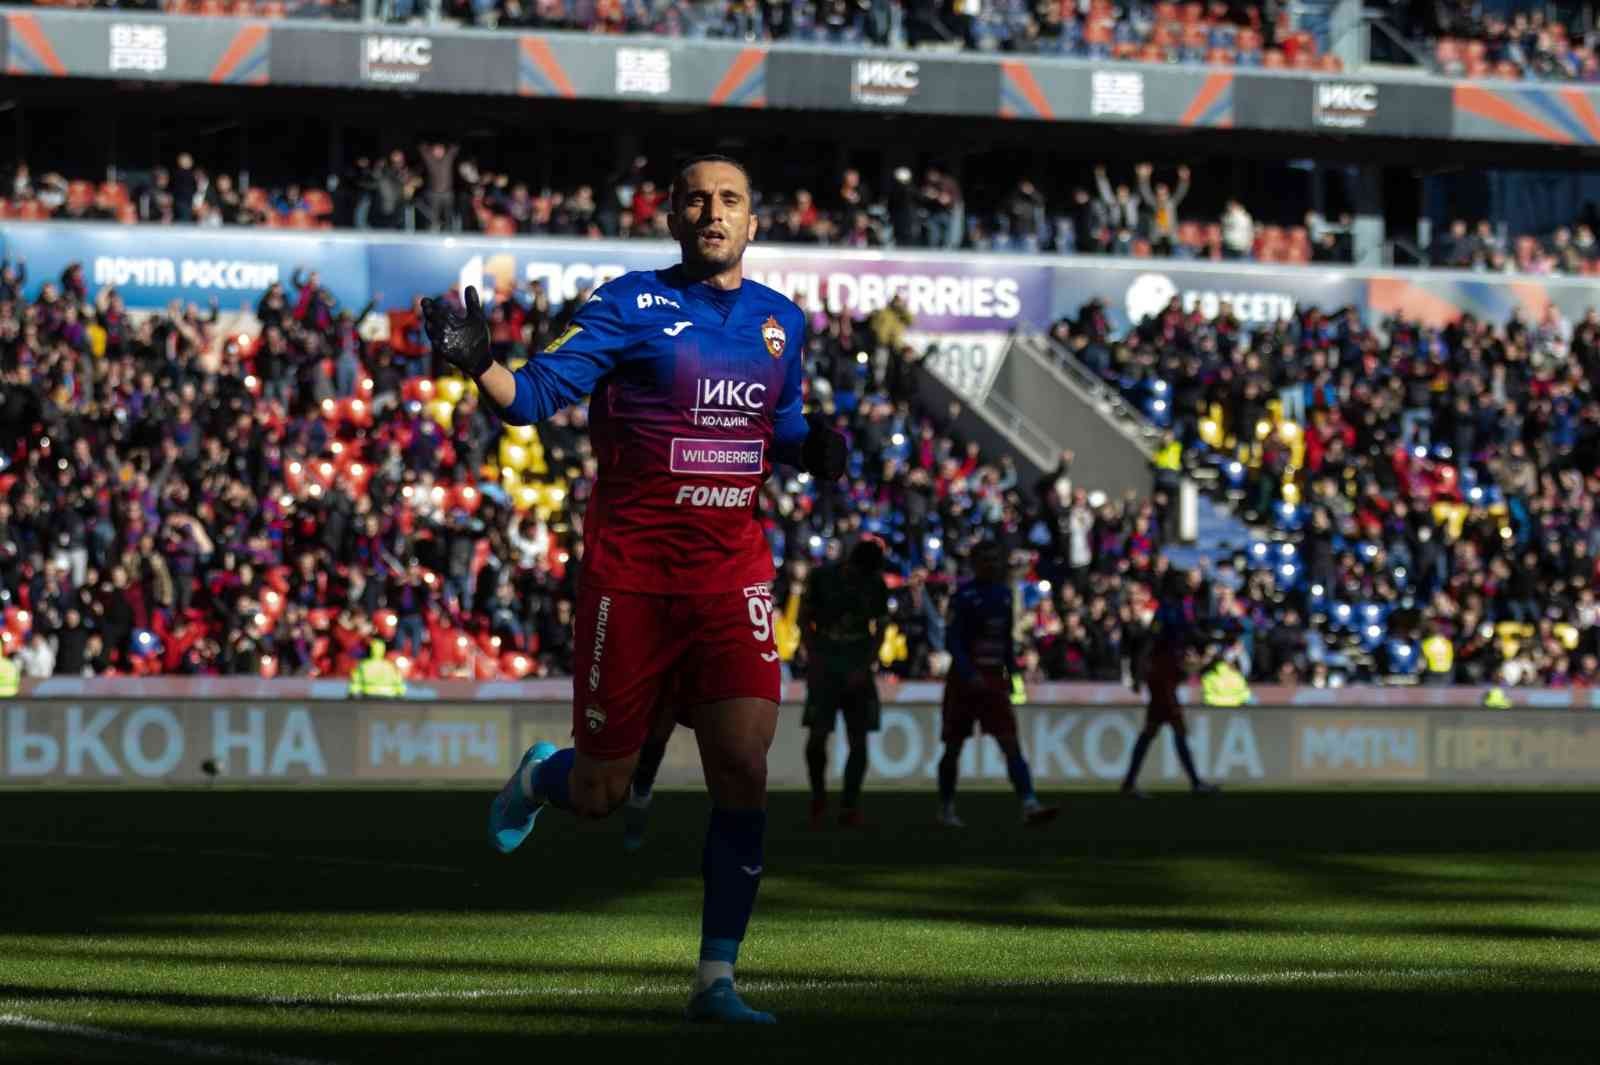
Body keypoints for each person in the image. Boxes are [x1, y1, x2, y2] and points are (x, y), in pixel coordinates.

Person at [422, 154, 846, 1025]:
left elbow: (786, 423)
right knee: (600, 793)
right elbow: (533, 397)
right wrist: (480, 366)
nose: (713, 211)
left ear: (753, 222)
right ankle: (544, 778)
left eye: (730, 198)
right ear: (673, 219)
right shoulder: (630, 305)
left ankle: (715, 979)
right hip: (634, 583)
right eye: (696, 198)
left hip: (733, 578)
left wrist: (815, 448)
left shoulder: (781, 323)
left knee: (744, 764)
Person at [936, 542, 1060, 829]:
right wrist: (968, 673)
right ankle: (945, 807)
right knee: (953, 746)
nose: (992, 565)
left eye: (995, 559)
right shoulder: (963, 596)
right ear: (975, 564)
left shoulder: (1004, 596)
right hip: (965, 682)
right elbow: (952, 641)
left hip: (993, 679)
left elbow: (1005, 643)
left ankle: (1029, 803)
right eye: (986, 560)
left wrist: (1014, 678)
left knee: (1010, 743)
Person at [798, 537, 890, 828]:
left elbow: (881, 629)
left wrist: (864, 666)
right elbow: (804, 619)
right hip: (826, 664)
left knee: (859, 739)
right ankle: (818, 797)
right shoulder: (821, 577)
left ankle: (849, 805)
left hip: (857, 664)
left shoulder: (876, 584)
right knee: (816, 739)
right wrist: (814, 657)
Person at [1121, 579, 1219, 798]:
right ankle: (1195, 783)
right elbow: (1171, 638)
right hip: (1162, 679)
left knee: (1150, 732)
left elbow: (1159, 641)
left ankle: (1129, 783)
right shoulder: (1172, 611)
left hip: (1162, 677)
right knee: (1176, 730)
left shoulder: (1169, 610)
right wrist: (1212, 640)